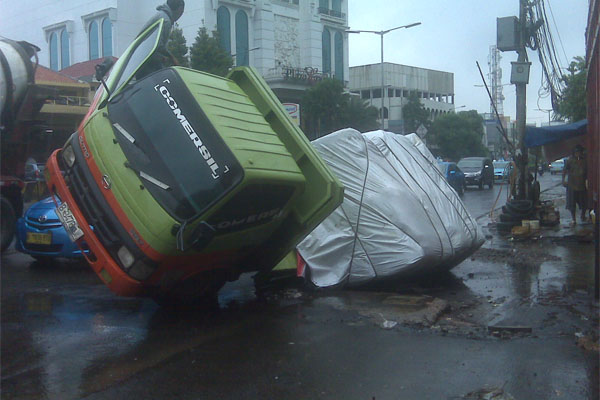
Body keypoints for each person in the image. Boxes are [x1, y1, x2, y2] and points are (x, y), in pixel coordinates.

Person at [136, 0, 185, 78]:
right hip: (146, 62)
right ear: (180, 9)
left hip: (142, 59)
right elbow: (158, 45)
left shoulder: (162, 15)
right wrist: (172, 58)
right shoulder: (165, 20)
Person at [562, 144, 588, 225]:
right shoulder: (570, 160)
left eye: (579, 152)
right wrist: (563, 180)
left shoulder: (585, 160)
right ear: (574, 153)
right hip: (572, 185)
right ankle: (573, 219)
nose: (578, 153)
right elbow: (564, 170)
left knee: (584, 203)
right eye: (576, 152)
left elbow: (587, 172)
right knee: (571, 204)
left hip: (582, 185)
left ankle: (583, 216)